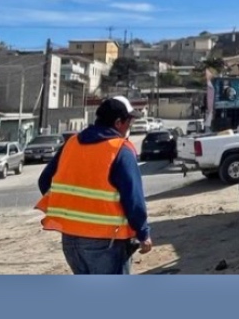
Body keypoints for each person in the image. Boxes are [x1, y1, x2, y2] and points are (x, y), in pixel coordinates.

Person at [35, 96, 152, 275]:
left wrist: (67, 208)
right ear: (119, 122)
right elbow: (133, 200)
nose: (131, 125)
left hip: (70, 240)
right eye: (130, 121)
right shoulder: (120, 150)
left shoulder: (71, 144)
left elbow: (45, 181)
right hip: (106, 241)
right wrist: (143, 234)